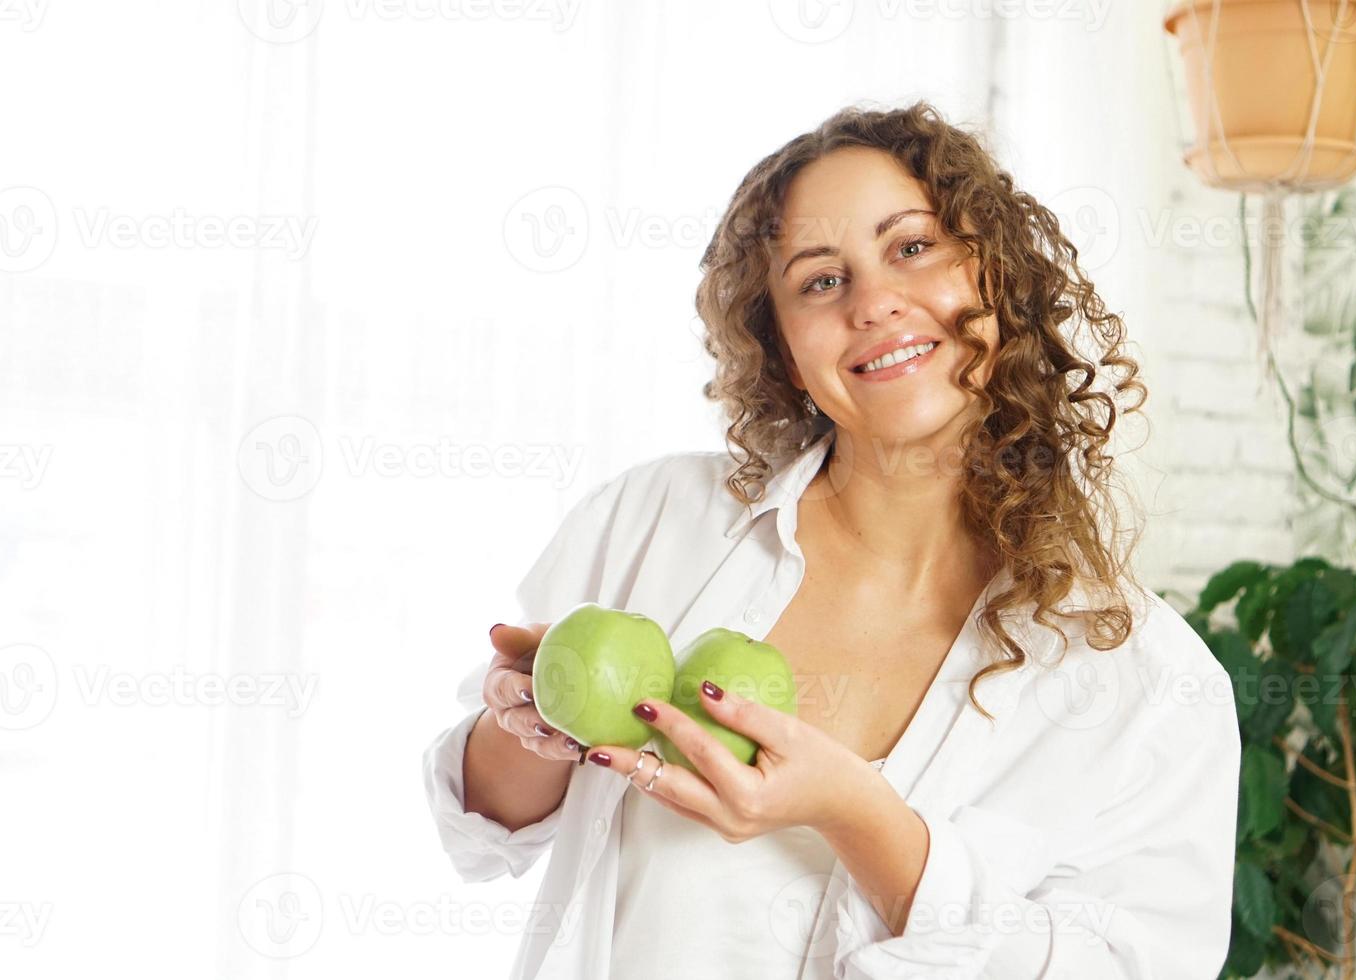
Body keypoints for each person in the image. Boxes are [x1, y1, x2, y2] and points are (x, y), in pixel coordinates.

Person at [423, 101, 1241, 979]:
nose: (876, 303)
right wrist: (530, 722)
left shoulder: (1150, 682)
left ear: (996, 273)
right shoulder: (657, 519)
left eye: (913, 247)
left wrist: (861, 817)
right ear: (781, 346)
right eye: (821, 280)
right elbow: (482, 831)